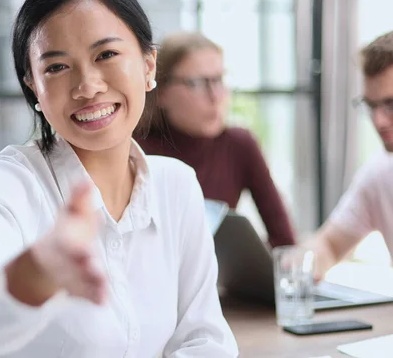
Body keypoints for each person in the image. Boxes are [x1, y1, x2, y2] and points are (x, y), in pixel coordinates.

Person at [0, 0, 238, 358]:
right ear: (34, 87)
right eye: (57, 67)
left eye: (107, 55)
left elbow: (205, 339)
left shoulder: (177, 185)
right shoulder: (4, 184)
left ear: (149, 67)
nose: (87, 86)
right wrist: (34, 274)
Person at [136, 31, 296, 248]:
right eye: (197, 83)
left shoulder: (239, 144)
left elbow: (285, 242)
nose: (215, 96)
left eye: (219, 79)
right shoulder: (134, 148)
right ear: (161, 91)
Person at [309, 30, 393, 280]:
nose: (378, 121)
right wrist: (298, 265)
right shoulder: (380, 173)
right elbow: (329, 245)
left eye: (390, 105)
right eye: (370, 105)